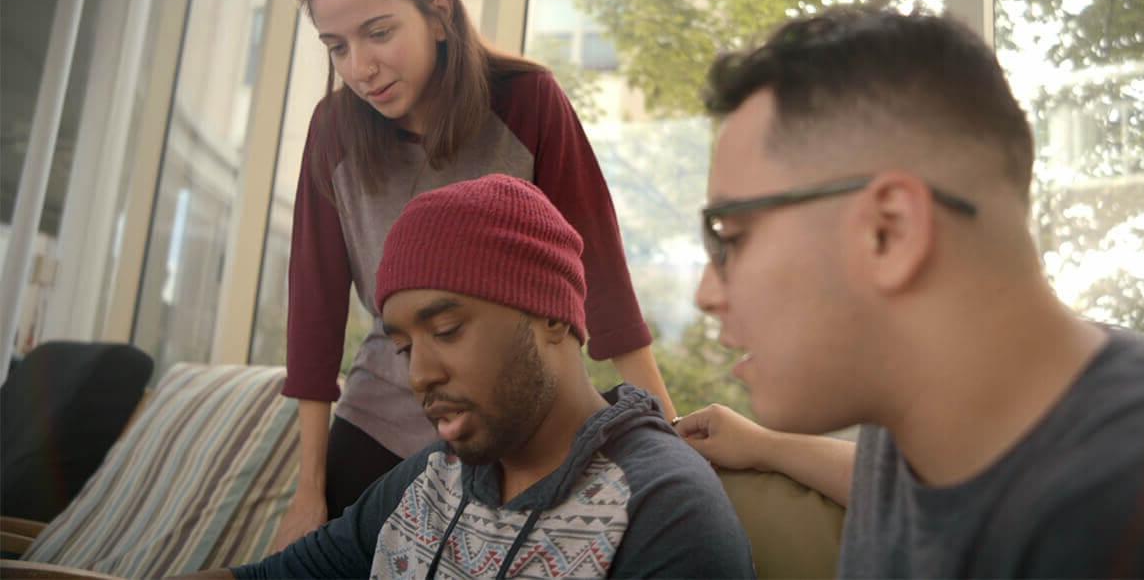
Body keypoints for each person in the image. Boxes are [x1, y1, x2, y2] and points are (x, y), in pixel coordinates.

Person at [677, 6, 1144, 578]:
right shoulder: (913, 421)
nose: (708, 292)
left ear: (890, 231)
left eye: (732, 236)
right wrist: (766, 447)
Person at [274, 0, 676, 549]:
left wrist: (668, 439)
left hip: (520, 431)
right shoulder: (332, 132)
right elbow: (314, 311)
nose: (360, 68)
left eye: (379, 33)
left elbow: (601, 278)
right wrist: (308, 492)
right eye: (337, 46)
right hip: (381, 422)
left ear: (437, 12)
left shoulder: (528, 101)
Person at [183, 175, 753, 579]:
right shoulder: (434, 477)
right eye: (404, 348)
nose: (421, 376)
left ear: (552, 316)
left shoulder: (660, 508)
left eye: (448, 329)